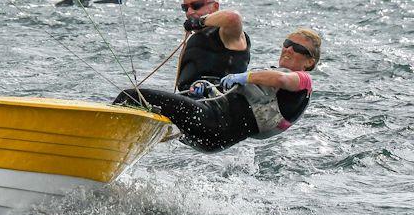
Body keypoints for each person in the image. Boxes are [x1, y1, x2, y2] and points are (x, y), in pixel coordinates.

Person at [114, 29, 321, 152]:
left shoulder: (303, 81)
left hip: (213, 125)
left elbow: (282, 78)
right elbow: (241, 101)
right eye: (287, 43)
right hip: (212, 138)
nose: (289, 49)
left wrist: (243, 76)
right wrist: (206, 90)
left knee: (131, 96)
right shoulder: (270, 85)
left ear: (309, 62)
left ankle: (101, 149)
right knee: (150, 112)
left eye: (298, 49)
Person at [176, 0, 250, 92]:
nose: (189, 12)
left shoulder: (227, 33)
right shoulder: (198, 36)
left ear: (215, 7)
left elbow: (233, 17)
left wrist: (200, 22)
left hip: (221, 101)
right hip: (190, 97)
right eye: (185, 8)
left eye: (196, 5)